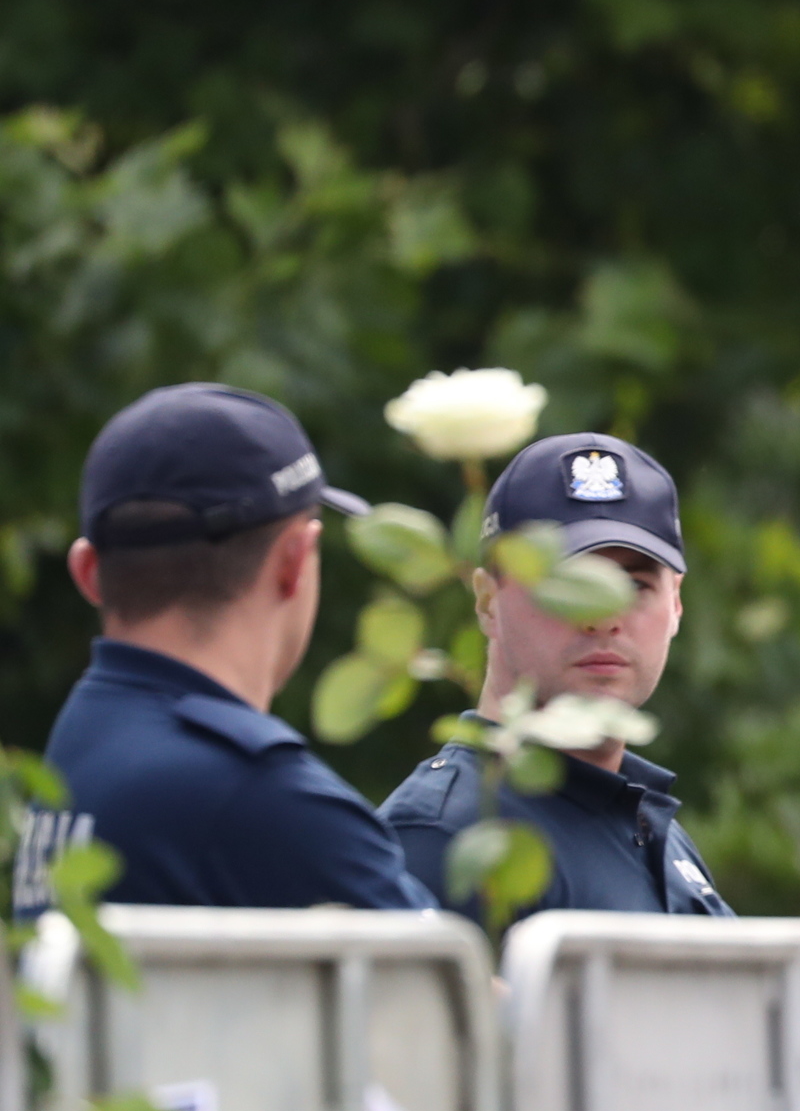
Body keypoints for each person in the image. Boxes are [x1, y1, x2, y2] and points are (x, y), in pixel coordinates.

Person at [29, 383, 435, 914]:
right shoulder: (264, 796)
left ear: (89, 574)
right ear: (294, 561)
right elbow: (459, 990)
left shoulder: (76, 745)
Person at [382, 433, 732, 923]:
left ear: (675, 603)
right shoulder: (449, 834)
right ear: (487, 601)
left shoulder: (647, 825)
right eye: (566, 583)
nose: (603, 614)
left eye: (635, 584)